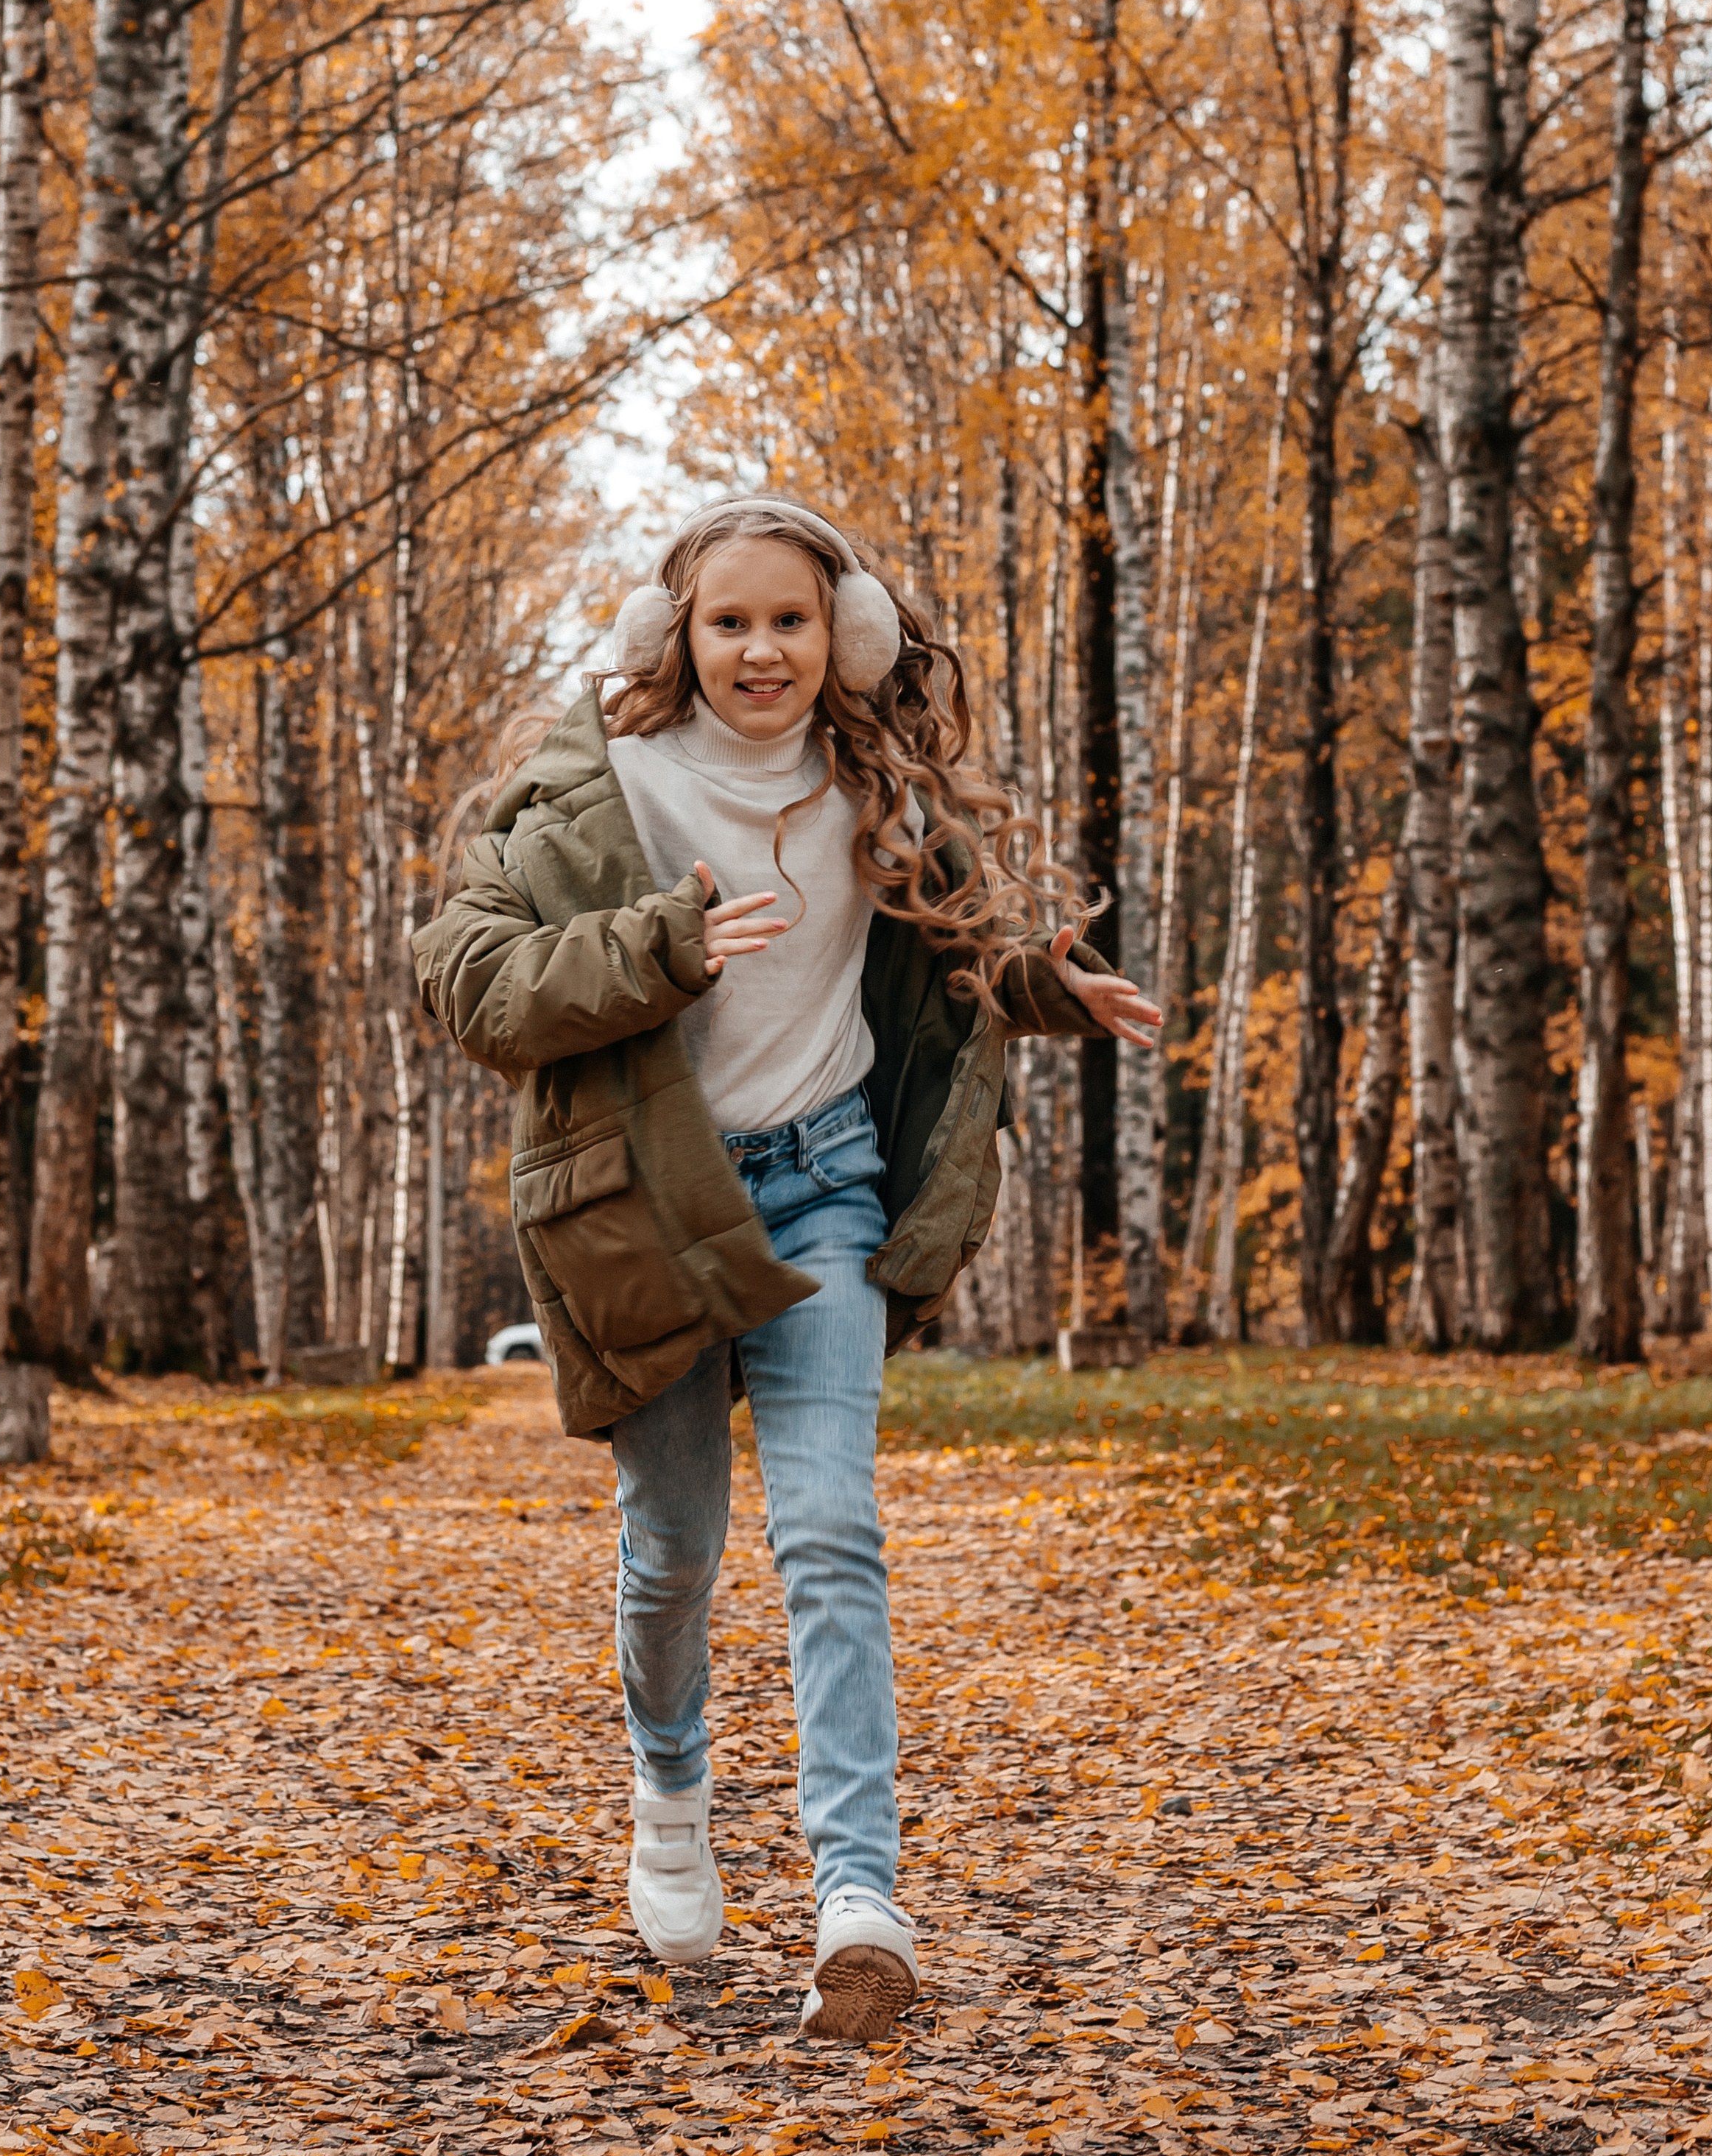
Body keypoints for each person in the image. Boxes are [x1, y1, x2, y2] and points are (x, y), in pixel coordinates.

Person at [412, 498, 1160, 2040]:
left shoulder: (865, 791)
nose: (761, 649)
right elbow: (468, 981)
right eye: (728, 622)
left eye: (792, 622)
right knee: (670, 1553)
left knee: (828, 1528)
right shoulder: (598, 788)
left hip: (825, 1188)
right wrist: (660, 947)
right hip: (648, 1205)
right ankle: (670, 1795)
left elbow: (944, 951)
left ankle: (856, 1901)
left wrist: (1042, 985)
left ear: (844, 642)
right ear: (673, 639)